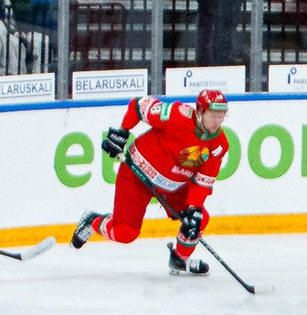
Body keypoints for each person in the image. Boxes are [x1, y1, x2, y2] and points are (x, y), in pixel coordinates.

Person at [69, 91, 234, 276]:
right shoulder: (176, 115)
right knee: (125, 233)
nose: (217, 121)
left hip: (173, 187)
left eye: (221, 116)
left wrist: (193, 209)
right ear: (200, 111)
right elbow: (138, 106)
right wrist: (123, 131)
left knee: (199, 218)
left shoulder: (219, 144)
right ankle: (92, 222)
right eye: (213, 115)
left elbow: (203, 182)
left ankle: (179, 259)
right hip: (136, 175)